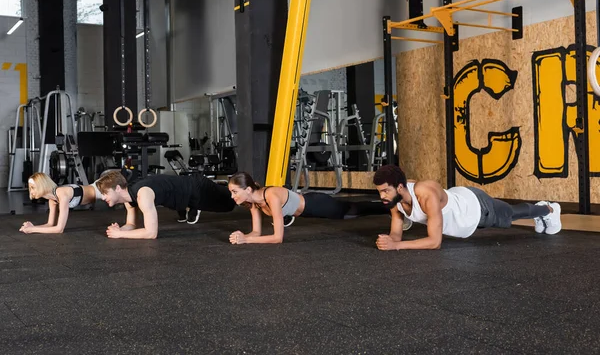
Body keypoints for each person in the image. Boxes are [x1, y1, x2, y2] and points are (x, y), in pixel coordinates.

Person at [372, 164, 561, 251]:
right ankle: (545, 210)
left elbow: (434, 242)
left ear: (399, 187)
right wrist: (388, 240)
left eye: (385, 191)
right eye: (380, 191)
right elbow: (396, 234)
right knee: (510, 215)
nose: (382, 196)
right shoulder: (395, 199)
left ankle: (548, 209)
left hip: (476, 207)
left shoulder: (424, 193)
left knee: (511, 215)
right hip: (462, 211)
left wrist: (396, 246)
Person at [228, 171, 388, 245]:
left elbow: (277, 238)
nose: (232, 196)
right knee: (354, 211)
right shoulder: (254, 203)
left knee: (355, 212)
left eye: (234, 192)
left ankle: (393, 207)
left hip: (317, 204)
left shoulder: (271, 196)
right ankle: (391, 208)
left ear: (248, 190)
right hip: (309, 210)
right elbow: (256, 232)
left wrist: (247, 240)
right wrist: (242, 236)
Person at [96, 171, 236, 239]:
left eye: (105, 192)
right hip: (186, 197)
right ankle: (190, 207)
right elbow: (131, 225)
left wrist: (120, 235)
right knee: (229, 203)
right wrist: (121, 229)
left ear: (118, 188)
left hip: (197, 188)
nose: (102, 197)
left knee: (231, 203)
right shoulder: (128, 199)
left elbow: (151, 233)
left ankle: (249, 189)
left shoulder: (143, 194)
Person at [19, 172, 102, 234]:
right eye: (30, 188)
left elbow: (59, 229)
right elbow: (50, 224)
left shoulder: (61, 194)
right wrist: (33, 227)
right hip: (100, 193)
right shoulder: (52, 200)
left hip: (101, 188)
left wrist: (32, 230)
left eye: (33, 187)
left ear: (42, 185)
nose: (31, 191)